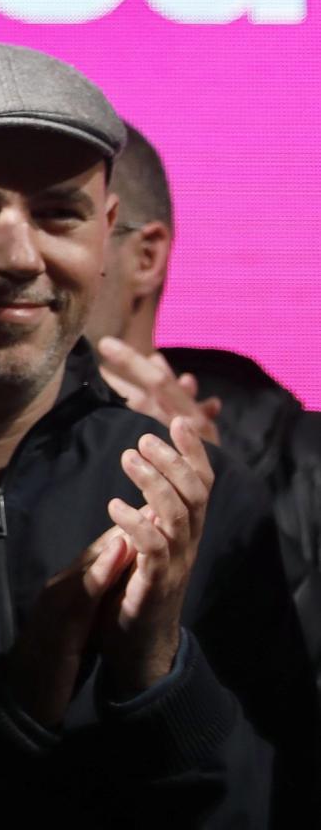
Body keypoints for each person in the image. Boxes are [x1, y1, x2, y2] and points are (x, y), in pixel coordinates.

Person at [0, 43, 318, 827]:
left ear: (107, 233)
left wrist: (159, 680)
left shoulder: (196, 494)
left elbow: (279, 801)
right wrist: (19, 707)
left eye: (59, 214)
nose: (21, 254)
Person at [84, 124, 321, 692]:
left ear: (144, 255)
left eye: (59, 220)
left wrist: (228, 512)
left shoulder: (303, 471)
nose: (19, 257)